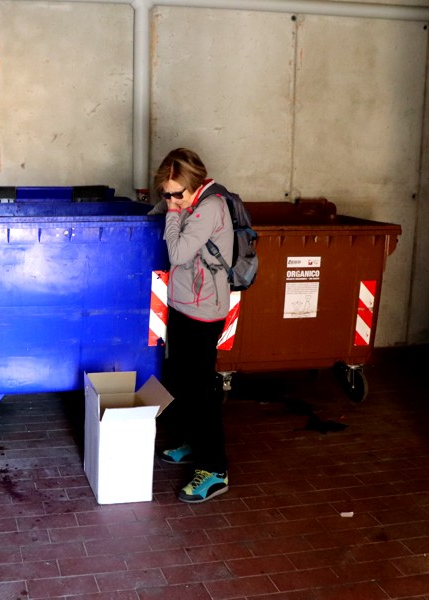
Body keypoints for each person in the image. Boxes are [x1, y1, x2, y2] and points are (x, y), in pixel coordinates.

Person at [151, 147, 234, 504]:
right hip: (183, 304)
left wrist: (171, 213)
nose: (171, 200)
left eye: (176, 194)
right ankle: (192, 442)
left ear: (195, 183)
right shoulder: (188, 201)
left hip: (204, 312)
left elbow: (178, 254)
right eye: (166, 193)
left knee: (201, 391)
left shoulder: (210, 207)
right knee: (182, 380)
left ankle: (215, 470)